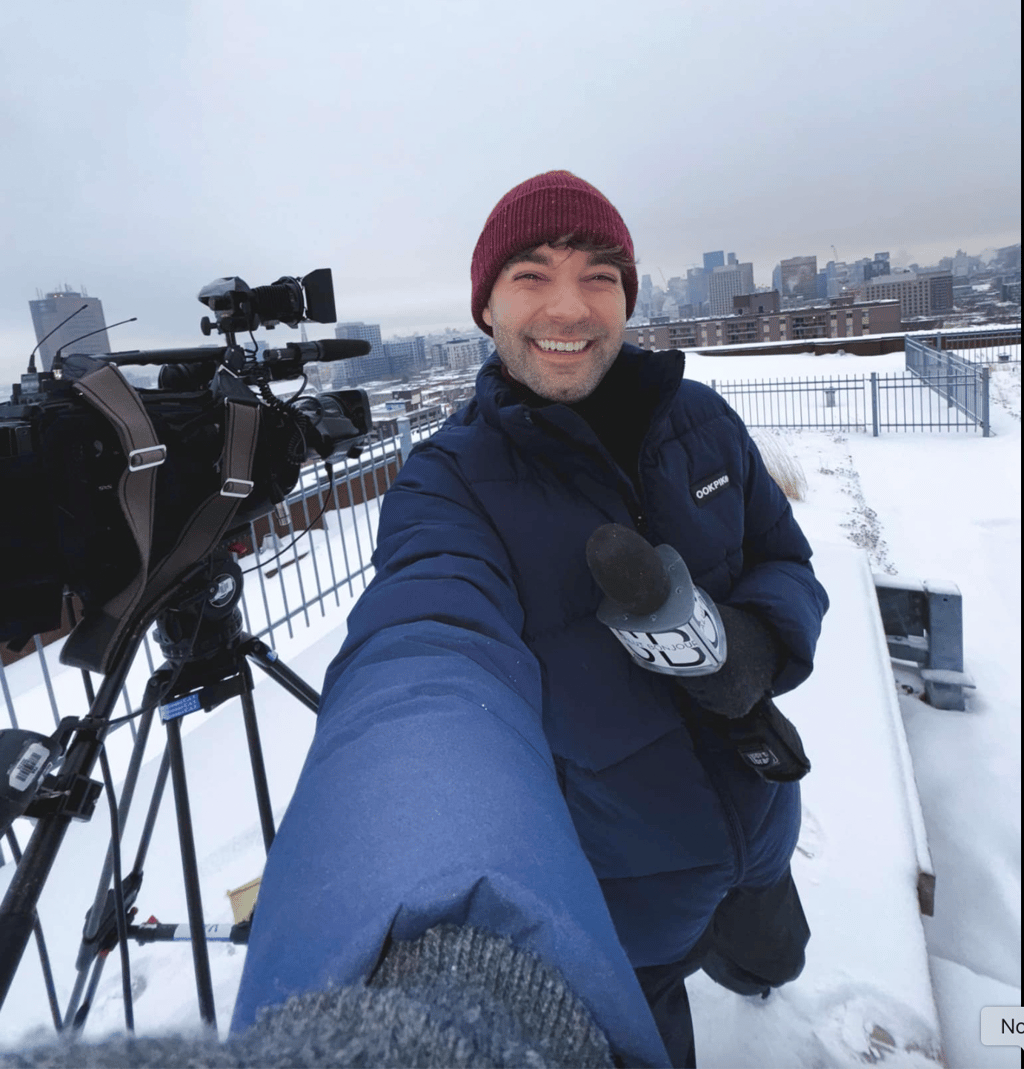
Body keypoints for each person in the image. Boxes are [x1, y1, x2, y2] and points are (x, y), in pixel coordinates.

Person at [230, 170, 829, 1067]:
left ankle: (757, 980)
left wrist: (757, 645)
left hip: (763, 812)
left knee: (775, 957)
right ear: (486, 308)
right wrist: (413, 927)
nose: (570, 307)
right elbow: (428, 651)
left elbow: (786, 560)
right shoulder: (451, 482)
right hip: (626, 894)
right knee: (651, 1024)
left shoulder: (699, 420)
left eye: (599, 274)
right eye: (531, 274)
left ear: (628, 294)